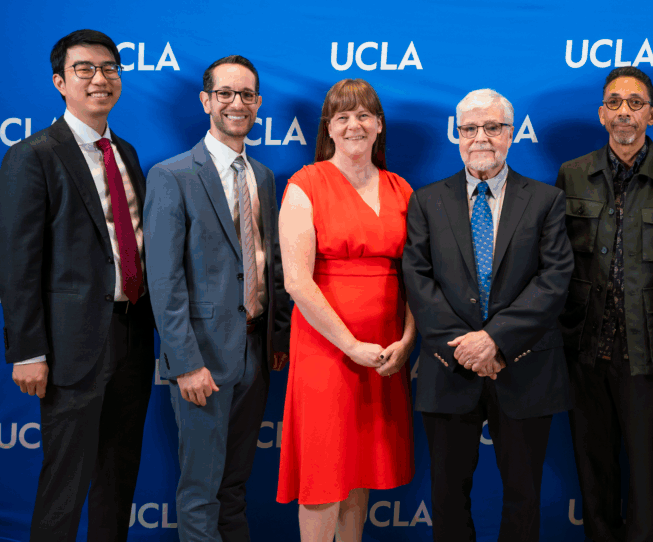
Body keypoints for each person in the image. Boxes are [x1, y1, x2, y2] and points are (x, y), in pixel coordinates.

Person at [0, 29, 156, 542]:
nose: (99, 79)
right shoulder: (33, 155)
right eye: (84, 69)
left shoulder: (126, 153)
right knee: (65, 483)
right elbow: (17, 263)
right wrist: (28, 351)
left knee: (118, 479)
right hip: (71, 346)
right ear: (60, 82)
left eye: (109, 68)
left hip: (133, 335)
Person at [402, 88, 573, 542]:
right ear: (457, 134)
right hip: (449, 367)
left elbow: (554, 279)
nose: (481, 137)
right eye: (470, 128)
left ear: (511, 134)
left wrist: (494, 340)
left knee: (523, 498)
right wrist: (466, 349)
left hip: (524, 367)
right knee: (447, 499)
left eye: (492, 127)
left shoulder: (546, 200)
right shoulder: (426, 201)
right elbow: (418, 280)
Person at [144, 54, 291, 542]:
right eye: (225, 93)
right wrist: (186, 363)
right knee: (201, 491)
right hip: (202, 358)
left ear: (259, 103)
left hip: (255, 353)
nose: (237, 103)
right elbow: (164, 280)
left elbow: (268, 264)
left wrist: (276, 338)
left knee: (234, 486)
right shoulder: (172, 175)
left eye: (247, 95)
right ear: (206, 101)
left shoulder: (263, 176)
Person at [275, 78, 416, 541]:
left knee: (360, 468)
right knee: (323, 472)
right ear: (329, 128)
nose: (354, 125)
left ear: (379, 125)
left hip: (384, 351)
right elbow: (297, 281)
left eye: (364, 116)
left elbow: (418, 277)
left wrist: (407, 341)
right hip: (326, 348)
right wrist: (351, 345)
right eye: (343, 117)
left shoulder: (401, 189)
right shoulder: (305, 185)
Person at [555, 66, 653, 542]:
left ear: (652, 114)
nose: (624, 112)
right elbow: (558, 263)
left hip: (650, 352)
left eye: (635, 103)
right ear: (601, 114)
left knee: (651, 476)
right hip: (585, 350)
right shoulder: (572, 174)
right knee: (594, 475)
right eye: (614, 102)